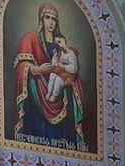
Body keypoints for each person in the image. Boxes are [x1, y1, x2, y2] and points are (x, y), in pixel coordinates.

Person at [12, 4, 87, 150]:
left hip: (61, 90)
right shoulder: (30, 39)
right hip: (37, 93)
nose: (51, 22)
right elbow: (21, 66)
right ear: (41, 18)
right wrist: (35, 69)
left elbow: (72, 68)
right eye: (47, 18)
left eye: (54, 19)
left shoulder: (62, 45)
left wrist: (68, 79)